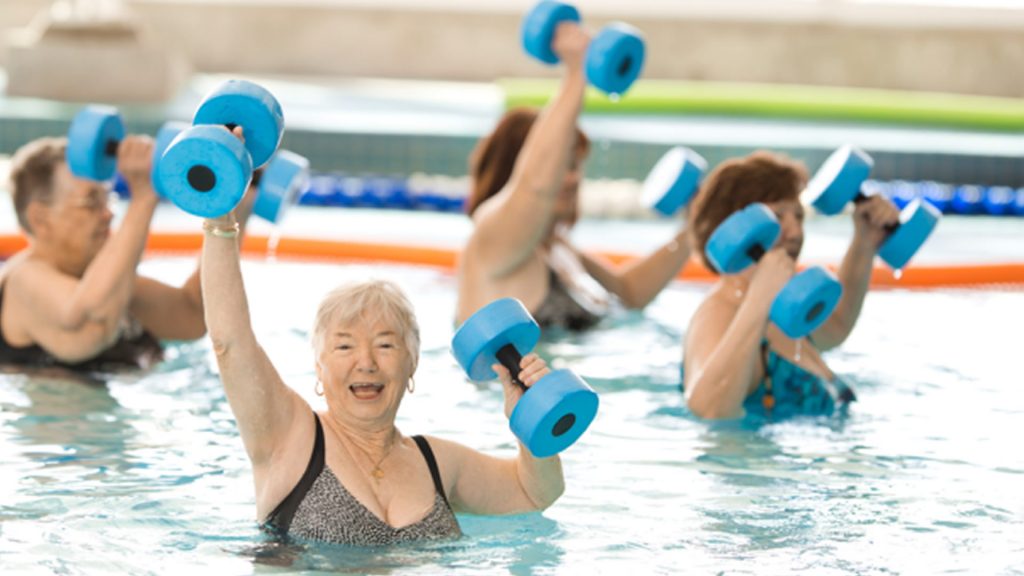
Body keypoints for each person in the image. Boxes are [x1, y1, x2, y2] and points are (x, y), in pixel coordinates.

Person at [201, 208, 566, 546]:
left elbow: (534, 495)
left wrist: (528, 423)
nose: (366, 362)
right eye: (344, 347)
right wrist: (220, 223)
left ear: (412, 364)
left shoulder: (436, 461)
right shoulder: (288, 438)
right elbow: (229, 343)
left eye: (386, 346)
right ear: (319, 367)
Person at [456, 23, 691, 330]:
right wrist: (577, 72)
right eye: (562, 166)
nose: (571, 179)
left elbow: (630, 293)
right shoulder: (492, 242)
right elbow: (535, 185)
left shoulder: (557, 246)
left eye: (576, 165)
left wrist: (692, 233)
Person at [0, 134, 254, 373]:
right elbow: (91, 321)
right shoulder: (23, 280)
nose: (109, 214)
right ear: (40, 218)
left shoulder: (104, 283)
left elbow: (195, 315)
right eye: (90, 202)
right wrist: (144, 195)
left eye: (107, 198)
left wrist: (232, 209)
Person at [682, 151, 901, 419]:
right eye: (777, 216)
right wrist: (759, 300)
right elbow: (707, 409)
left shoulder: (783, 309)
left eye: (798, 217)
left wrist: (865, 242)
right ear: (733, 227)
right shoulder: (718, 313)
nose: (795, 232)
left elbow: (837, 325)